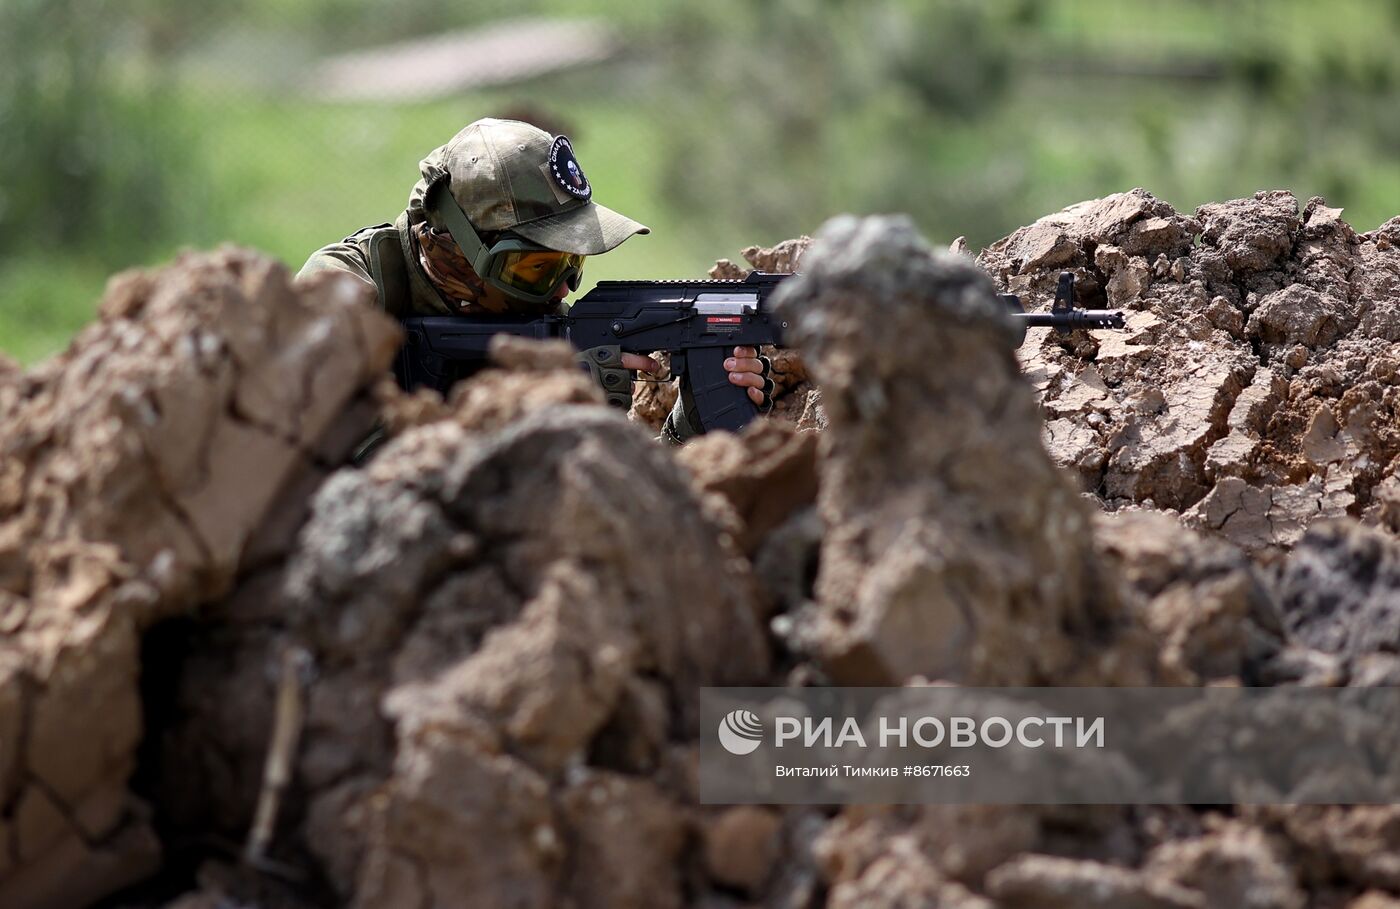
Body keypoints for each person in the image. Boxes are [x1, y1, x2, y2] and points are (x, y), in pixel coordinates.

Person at [298, 117, 769, 444]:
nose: (564, 290)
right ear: (459, 246)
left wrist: (687, 426)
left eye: (571, 262)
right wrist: (521, 409)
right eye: (535, 269)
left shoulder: (530, 314)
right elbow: (296, 473)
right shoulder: (342, 298)